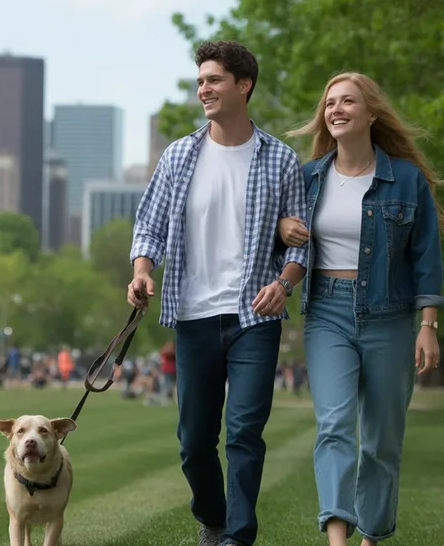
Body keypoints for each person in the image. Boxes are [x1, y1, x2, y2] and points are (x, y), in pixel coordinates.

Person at [128, 40, 310, 546]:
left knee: (244, 434)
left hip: (255, 315)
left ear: (243, 85)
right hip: (194, 317)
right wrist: (143, 271)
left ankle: (239, 536)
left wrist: (284, 284)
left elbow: (302, 247)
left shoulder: (281, 160)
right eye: (200, 81)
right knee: (193, 443)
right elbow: (149, 227)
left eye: (213, 80)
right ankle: (213, 518)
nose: (203, 89)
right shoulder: (180, 155)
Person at [277, 71, 444, 546]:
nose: (336, 109)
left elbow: (426, 257)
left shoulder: (406, 179)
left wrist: (428, 324)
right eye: (330, 102)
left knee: (381, 441)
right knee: (334, 426)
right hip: (328, 313)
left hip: (391, 317)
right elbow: (279, 242)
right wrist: (282, 231)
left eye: (348, 101)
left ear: (371, 113)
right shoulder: (308, 177)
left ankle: (372, 535)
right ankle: (337, 540)